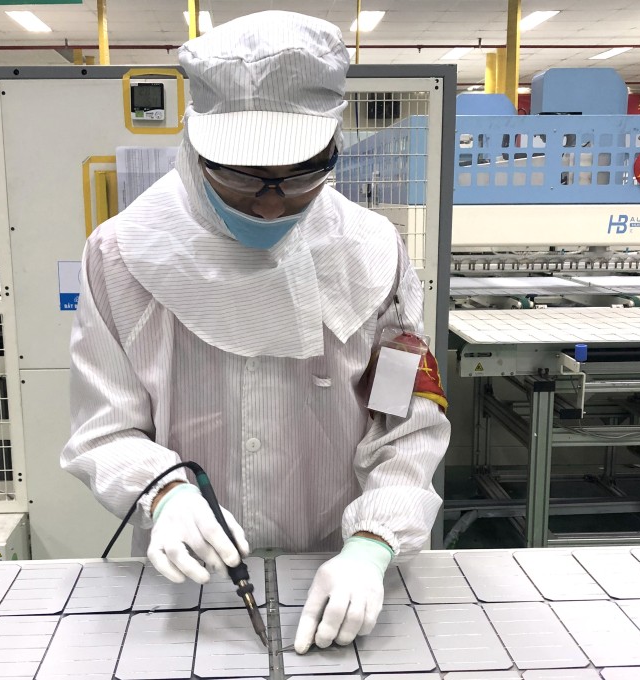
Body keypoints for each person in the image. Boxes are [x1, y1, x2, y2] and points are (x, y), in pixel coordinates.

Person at [62, 10, 450, 654]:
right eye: (241, 177)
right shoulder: (123, 255)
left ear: (332, 148)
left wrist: (374, 542)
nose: (271, 202)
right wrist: (163, 492)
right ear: (196, 149)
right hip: (189, 576)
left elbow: (404, 421)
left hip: (338, 563)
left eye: (301, 175)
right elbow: (104, 430)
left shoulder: (372, 253)